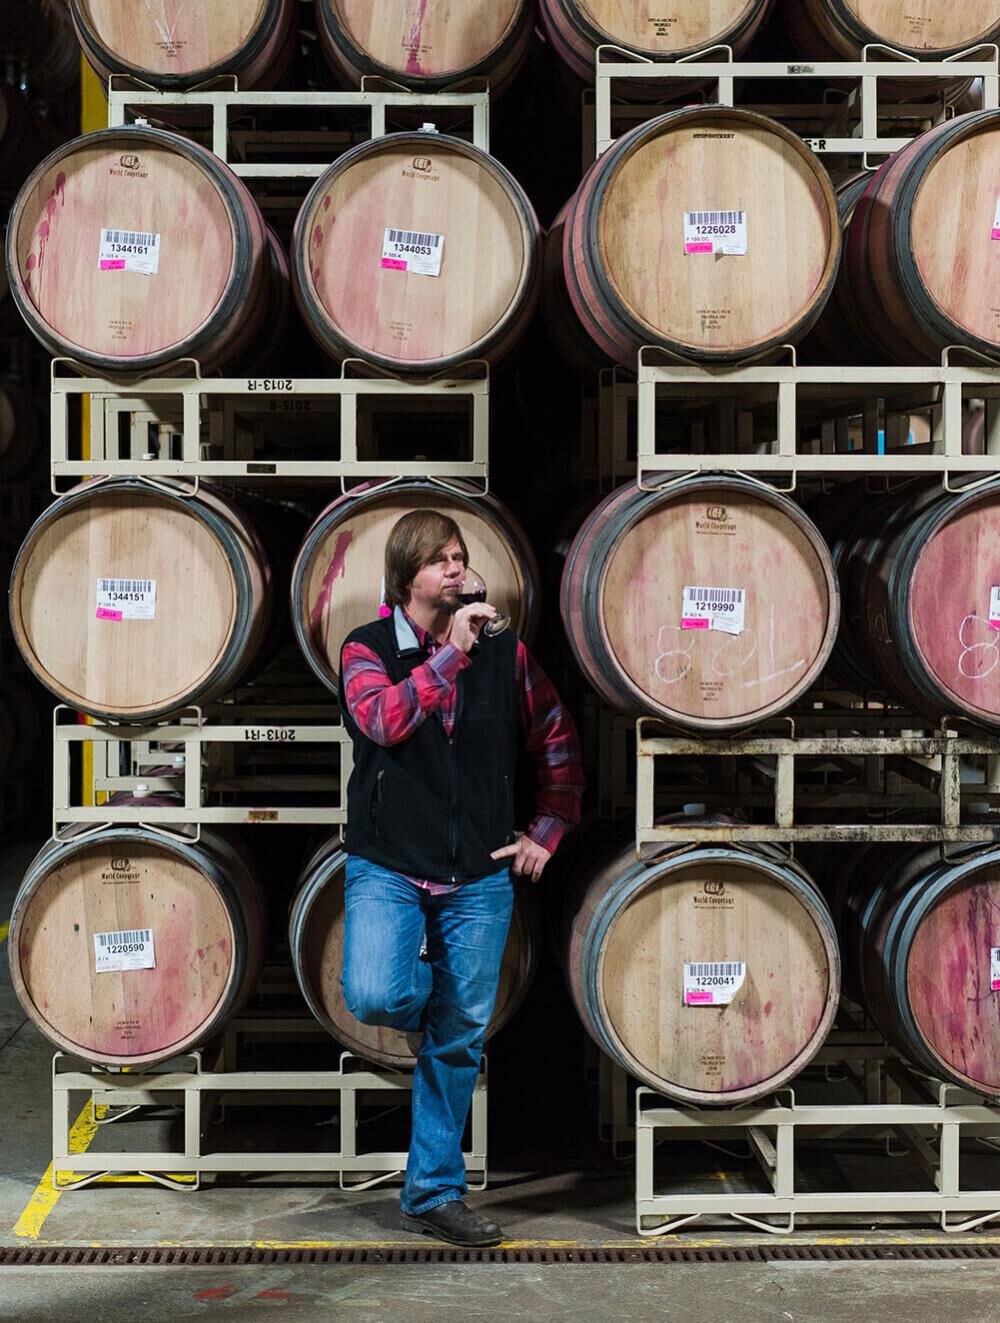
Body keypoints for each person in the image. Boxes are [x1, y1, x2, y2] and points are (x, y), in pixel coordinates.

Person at [339, 509, 584, 1247]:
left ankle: (433, 1192)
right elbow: (382, 720)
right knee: (377, 992)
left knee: (454, 1046)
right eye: (438, 560)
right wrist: (448, 656)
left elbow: (557, 736)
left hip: (477, 875)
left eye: (459, 557)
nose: (454, 569)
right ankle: (452, 1021)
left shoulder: (505, 657)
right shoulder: (367, 647)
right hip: (388, 863)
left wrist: (548, 827)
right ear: (405, 576)